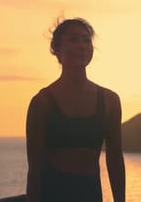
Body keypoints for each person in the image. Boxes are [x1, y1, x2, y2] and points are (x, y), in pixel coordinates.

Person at [25, 17, 126, 202]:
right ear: (56, 48)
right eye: (73, 39)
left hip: (91, 195)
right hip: (53, 195)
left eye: (87, 40)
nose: (82, 45)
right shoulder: (42, 103)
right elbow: (35, 170)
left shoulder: (110, 101)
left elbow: (115, 159)